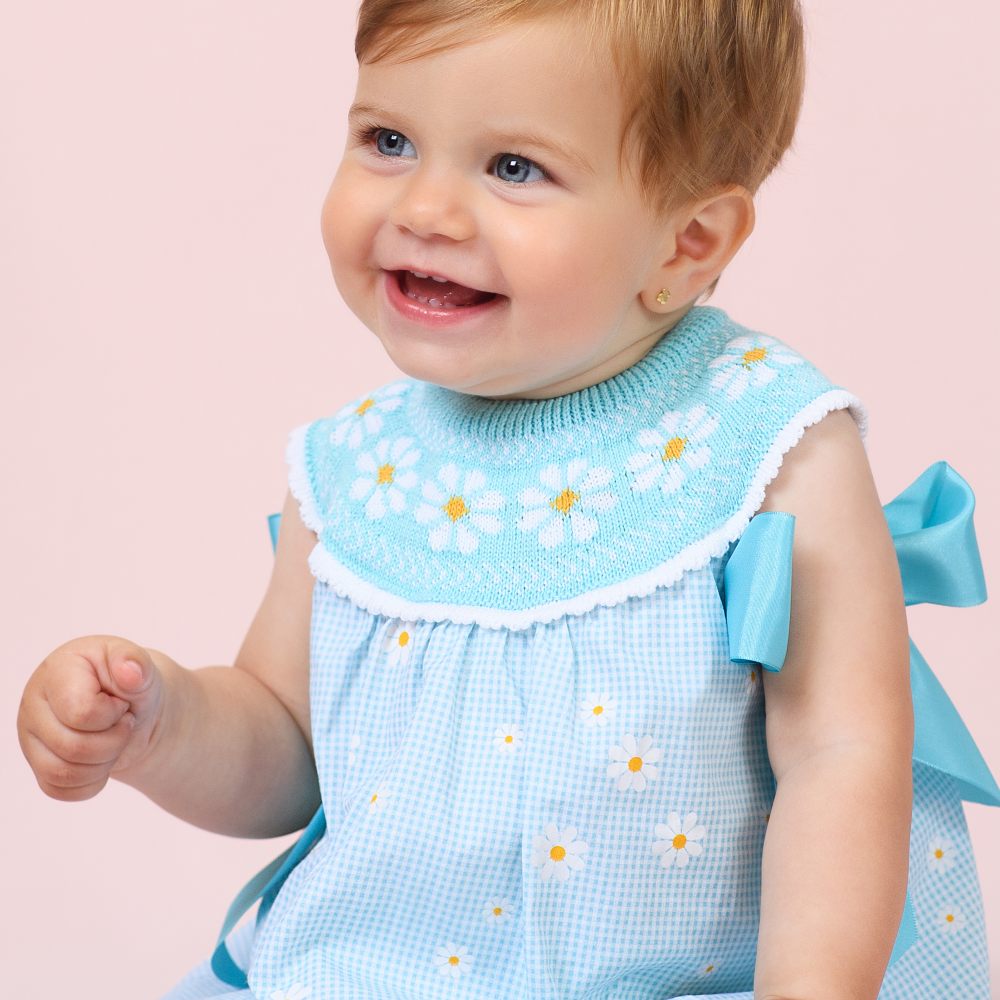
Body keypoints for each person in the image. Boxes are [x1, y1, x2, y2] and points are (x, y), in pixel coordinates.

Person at [16, 1, 999, 997]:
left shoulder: (764, 446)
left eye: (513, 167)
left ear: (686, 243)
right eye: (389, 140)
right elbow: (290, 745)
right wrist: (163, 723)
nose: (427, 211)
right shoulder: (358, 469)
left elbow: (842, 754)